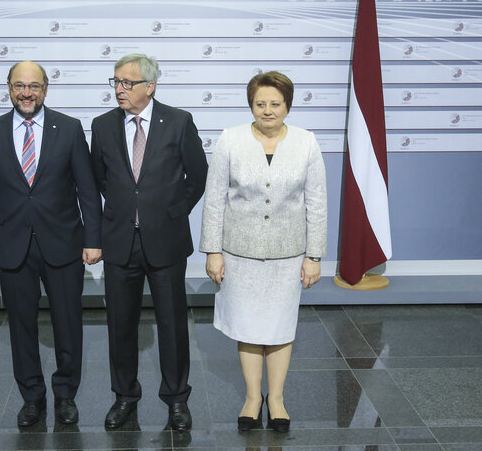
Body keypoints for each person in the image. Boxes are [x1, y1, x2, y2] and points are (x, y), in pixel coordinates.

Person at [0, 61, 102, 427]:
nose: (26, 93)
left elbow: (87, 191)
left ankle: (65, 395)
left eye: (33, 86)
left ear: (45, 89)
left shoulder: (70, 128)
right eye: (19, 86)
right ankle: (31, 397)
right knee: (21, 327)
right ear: (9, 88)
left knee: (68, 324)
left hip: (63, 245)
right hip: (10, 247)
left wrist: (93, 239)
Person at [199, 71, 327, 433]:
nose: (267, 110)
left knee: (280, 327)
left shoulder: (306, 142)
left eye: (275, 104)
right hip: (239, 253)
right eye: (260, 104)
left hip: (289, 254)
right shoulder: (230, 140)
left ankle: (277, 399)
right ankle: (253, 397)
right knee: (248, 327)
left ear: (288, 105)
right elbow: (215, 200)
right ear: (251, 105)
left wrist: (314, 256)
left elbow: (316, 203)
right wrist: (212, 251)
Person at [90, 54, 208, 431]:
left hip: (166, 241)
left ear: (149, 86)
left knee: (172, 325)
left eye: (127, 83)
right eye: (116, 82)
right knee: (120, 325)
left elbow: (197, 174)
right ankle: (124, 396)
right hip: (120, 239)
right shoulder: (103, 125)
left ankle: (176, 400)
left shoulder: (178, 121)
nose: (119, 90)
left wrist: (173, 212)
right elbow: (100, 179)